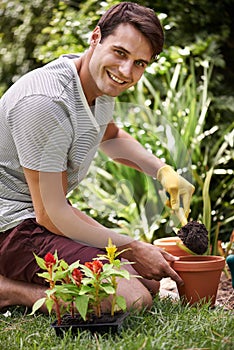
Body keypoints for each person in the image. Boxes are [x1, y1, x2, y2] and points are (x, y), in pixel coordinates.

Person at [0, 2, 194, 313]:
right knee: (129, 298)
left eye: (140, 63)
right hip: (10, 228)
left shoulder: (95, 86)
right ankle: (9, 290)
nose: (126, 72)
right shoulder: (45, 102)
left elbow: (111, 136)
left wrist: (163, 172)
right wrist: (132, 248)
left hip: (40, 217)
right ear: (95, 37)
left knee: (151, 283)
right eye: (120, 53)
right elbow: (49, 214)